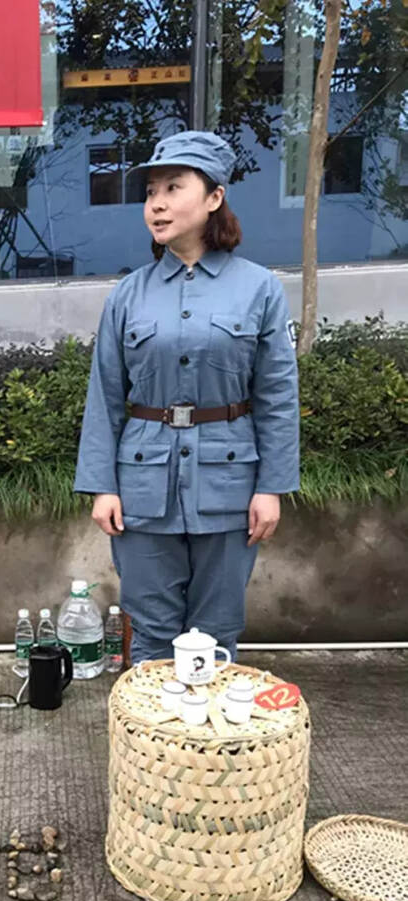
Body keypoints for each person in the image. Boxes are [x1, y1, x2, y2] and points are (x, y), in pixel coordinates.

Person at [74, 130, 300, 665]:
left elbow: (277, 396)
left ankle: (205, 750)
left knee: (216, 631)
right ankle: (155, 749)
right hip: (143, 483)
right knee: (150, 632)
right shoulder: (128, 295)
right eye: (152, 190)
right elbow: (105, 396)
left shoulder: (259, 288)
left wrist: (272, 487)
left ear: (214, 198)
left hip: (229, 481)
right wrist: (102, 486)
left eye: (174, 187)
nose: (157, 203)